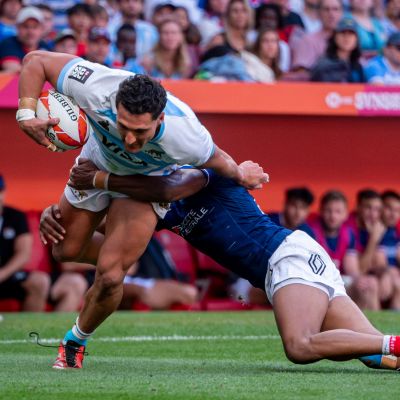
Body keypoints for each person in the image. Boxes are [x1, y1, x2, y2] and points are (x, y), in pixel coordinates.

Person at [17, 50, 268, 369]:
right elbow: (35, 60)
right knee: (64, 250)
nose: (130, 139)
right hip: (95, 161)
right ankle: (119, 251)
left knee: (109, 276)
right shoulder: (97, 87)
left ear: (160, 119)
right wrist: (26, 115)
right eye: (124, 127)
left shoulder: (186, 135)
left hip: (144, 184)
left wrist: (241, 173)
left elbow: (221, 161)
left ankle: (75, 342)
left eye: (141, 132)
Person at [40, 161, 400, 372]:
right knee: (377, 355)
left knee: (300, 345)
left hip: (285, 258)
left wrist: (101, 180)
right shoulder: (161, 208)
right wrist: (56, 217)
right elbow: (97, 239)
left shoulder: (198, 173)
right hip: (302, 260)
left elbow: (169, 187)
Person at [310, 190, 380, 310]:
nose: (333, 216)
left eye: (338, 211)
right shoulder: (311, 232)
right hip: (316, 282)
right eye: (328, 211)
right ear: (321, 211)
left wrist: (360, 279)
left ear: (345, 214)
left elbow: (351, 268)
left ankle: (374, 325)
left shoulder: (348, 234)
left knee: (370, 283)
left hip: (339, 280)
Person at [0, 174, 50, 311]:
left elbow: (23, 253)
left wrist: (2, 274)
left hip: (7, 273)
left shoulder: (16, 217)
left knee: (39, 281)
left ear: (3, 193)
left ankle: (31, 330)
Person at [290, 0, 343, 74]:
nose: (331, 14)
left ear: (342, 13)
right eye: (326, 9)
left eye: (335, 9)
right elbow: (300, 74)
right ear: (319, 13)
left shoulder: (348, 41)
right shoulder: (308, 40)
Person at [310, 18, 366, 83]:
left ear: (357, 39)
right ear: (335, 37)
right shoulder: (324, 66)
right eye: (343, 33)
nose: (346, 37)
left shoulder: (358, 66)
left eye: (351, 34)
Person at [0, 6, 48, 73]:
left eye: (35, 27)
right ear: (17, 27)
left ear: (42, 29)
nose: (30, 32)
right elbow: (13, 69)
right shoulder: (8, 43)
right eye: (26, 26)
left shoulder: (44, 45)